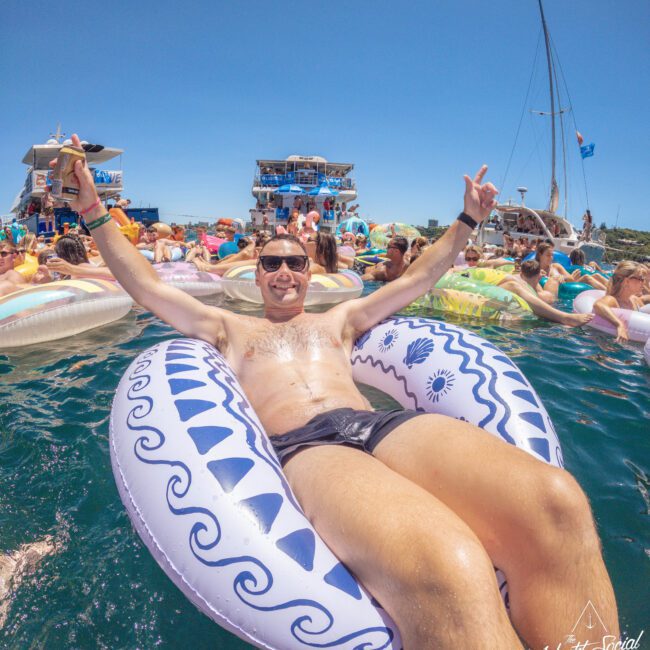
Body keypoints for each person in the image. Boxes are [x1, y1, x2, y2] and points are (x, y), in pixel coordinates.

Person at [55, 136, 619, 649]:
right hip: (309, 448)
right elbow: (146, 287)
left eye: (293, 263)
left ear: (308, 271)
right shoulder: (228, 329)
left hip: (379, 426)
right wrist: (91, 208)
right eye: (271, 263)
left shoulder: (341, 321)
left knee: (557, 502)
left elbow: (417, 280)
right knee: (448, 563)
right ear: (256, 275)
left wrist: (469, 219)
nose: (282, 272)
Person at [498, 261, 594, 326]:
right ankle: (565, 318)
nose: (551, 257)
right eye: (549, 255)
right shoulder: (514, 281)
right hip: (543, 297)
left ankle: (563, 318)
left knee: (552, 284)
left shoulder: (522, 281)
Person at [593, 261, 649, 342]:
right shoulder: (612, 300)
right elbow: (598, 305)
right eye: (640, 279)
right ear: (627, 281)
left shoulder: (635, 300)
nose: (643, 282)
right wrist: (620, 324)